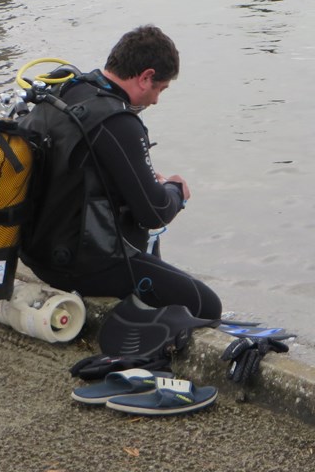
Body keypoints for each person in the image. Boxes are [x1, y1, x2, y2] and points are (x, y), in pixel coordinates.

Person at [19, 25, 222, 320]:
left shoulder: (66, 90)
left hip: (36, 253)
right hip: (80, 266)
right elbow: (154, 212)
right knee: (206, 305)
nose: (156, 100)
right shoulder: (117, 121)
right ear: (146, 77)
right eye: (159, 89)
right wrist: (176, 191)